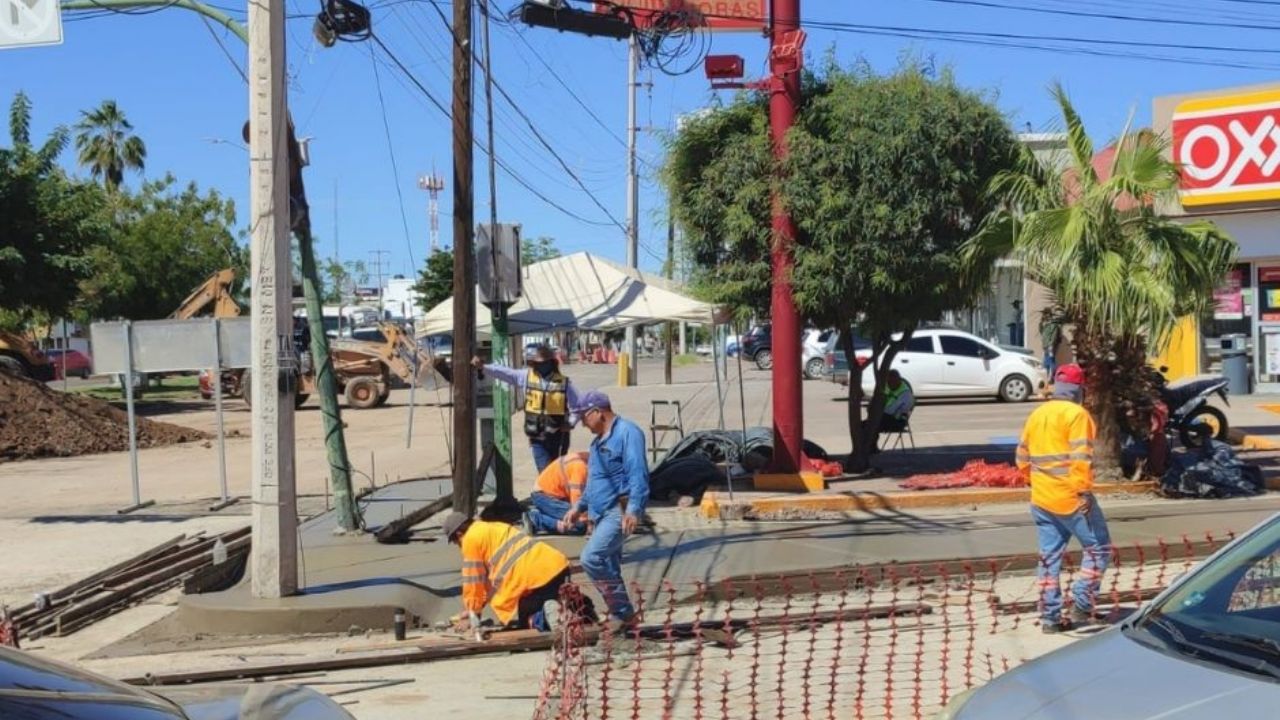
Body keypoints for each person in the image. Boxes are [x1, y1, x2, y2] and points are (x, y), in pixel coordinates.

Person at [1015, 363, 1113, 634]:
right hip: (1071, 498)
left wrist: (1035, 481)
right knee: (1099, 548)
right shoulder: (1077, 415)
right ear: (1079, 390)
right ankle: (1082, 605)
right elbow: (1081, 457)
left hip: (1042, 498)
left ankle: (1050, 618)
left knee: (1049, 558)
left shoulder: (1037, 414)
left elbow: (1022, 457)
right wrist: (1082, 491)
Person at [561, 390, 649, 636]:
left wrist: (633, 508)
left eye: (584, 419)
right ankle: (624, 620)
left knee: (591, 558)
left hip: (618, 510)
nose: (583, 425)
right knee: (608, 564)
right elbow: (595, 483)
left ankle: (623, 613)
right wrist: (578, 507)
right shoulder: (597, 442)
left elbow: (638, 473)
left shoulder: (627, 433)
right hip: (600, 513)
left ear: (597, 412)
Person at [443, 511, 589, 633]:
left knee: (527, 622)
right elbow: (488, 580)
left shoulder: (470, 540)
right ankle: (577, 608)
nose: (458, 546)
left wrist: (473, 614)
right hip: (557, 566)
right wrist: (473, 609)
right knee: (552, 596)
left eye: (456, 542)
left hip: (534, 581)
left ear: (459, 533)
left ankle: (545, 615)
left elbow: (473, 582)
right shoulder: (495, 526)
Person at [472, 345, 580, 472]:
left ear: (552, 363)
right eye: (538, 363)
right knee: (545, 472)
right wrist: (483, 367)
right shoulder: (526, 376)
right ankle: (546, 491)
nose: (541, 366)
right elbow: (504, 372)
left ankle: (554, 491)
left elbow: (577, 406)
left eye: (544, 363)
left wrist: (571, 423)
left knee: (558, 472)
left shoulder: (564, 382)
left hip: (558, 437)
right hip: (537, 439)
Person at [525, 451, 589, 536]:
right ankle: (536, 519)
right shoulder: (581, 468)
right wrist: (588, 522)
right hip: (543, 496)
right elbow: (577, 503)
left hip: (554, 496)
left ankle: (546, 513)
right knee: (580, 525)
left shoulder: (589, 459)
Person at [873, 370, 915, 451]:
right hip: (885, 417)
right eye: (888, 382)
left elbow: (893, 411)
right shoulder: (888, 387)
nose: (888, 384)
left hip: (897, 421)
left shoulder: (905, 394)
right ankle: (871, 447)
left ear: (898, 380)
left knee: (871, 425)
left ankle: (871, 448)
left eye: (890, 382)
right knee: (864, 425)